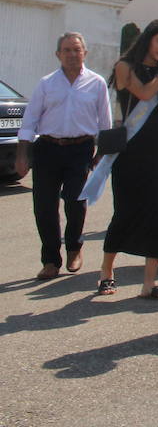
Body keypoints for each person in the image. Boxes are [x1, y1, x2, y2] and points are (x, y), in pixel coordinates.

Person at [93, 19, 158, 299]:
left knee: (156, 211)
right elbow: (144, 93)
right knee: (125, 210)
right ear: (148, 40)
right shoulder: (125, 66)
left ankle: (149, 282)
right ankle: (107, 272)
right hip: (130, 149)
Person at [16, 33, 113, 281]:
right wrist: (22, 154)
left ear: (85, 53)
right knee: (44, 206)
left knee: (75, 202)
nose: (72, 54)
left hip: (79, 149)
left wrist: (102, 153)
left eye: (77, 50)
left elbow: (105, 122)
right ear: (58, 54)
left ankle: (73, 248)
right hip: (47, 148)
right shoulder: (46, 84)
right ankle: (50, 260)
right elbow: (30, 121)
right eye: (67, 50)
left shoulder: (96, 83)